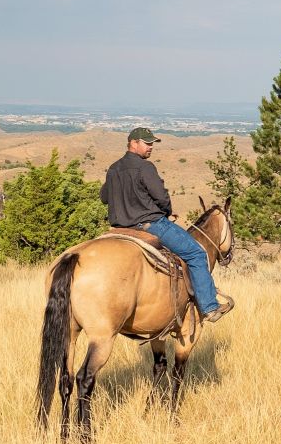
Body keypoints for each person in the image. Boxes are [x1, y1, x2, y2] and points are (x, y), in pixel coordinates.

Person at [100, 127, 233, 323]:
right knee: (196, 253)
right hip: (150, 225)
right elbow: (161, 197)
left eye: (152, 143)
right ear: (133, 143)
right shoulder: (145, 168)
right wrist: (167, 211)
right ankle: (209, 306)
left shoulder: (114, 168)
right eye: (147, 143)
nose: (151, 147)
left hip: (119, 228)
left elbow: (104, 197)